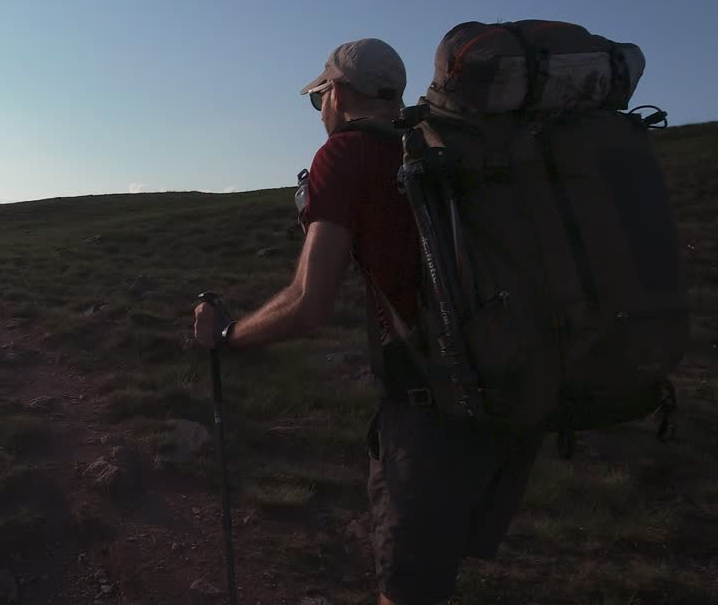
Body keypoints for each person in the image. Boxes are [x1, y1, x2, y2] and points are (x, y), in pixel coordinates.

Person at [192, 38, 541, 605]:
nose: (320, 111)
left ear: (338, 91)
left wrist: (229, 336)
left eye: (319, 98)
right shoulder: (443, 147)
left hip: (432, 405)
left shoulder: (346, 154)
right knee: (437, 569)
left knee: (407, 591)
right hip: (515, 386)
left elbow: (309, 303)